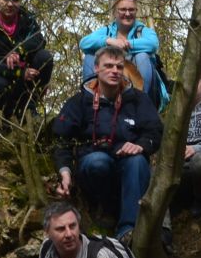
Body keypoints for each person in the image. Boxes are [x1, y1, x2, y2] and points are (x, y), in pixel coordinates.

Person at [52, 43, 163, 240]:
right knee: (97, 162)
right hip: (93, 165)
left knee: (137, 161)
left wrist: (141, 145)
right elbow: (62, 140)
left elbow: (155, 132)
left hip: (129, 168)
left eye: (119, 67)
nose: (114, 71)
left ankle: (128, 230)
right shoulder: (79, 101)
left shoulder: (138, 99)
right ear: (96, 68)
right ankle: (104, 209)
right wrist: (64, 171)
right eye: (108, 66)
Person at [80, 0, 167, 99]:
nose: (127, 13)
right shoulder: (107, 31)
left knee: (142, 56)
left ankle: (142, 101)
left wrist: (127, 44)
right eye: (122, 9)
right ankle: (92, 99)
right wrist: (109, 41)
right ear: (115, 12)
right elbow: (84, 43)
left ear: (136, 11)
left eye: (131, 10)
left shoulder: (142, 30)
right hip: (112, 84)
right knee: (90, 56)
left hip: (143, 87)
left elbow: (153, 44)